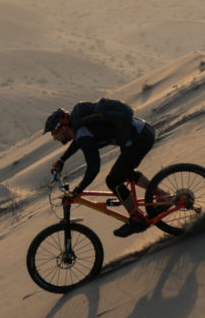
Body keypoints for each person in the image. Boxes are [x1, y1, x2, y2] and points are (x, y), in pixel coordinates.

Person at [43, 98, 156, 237]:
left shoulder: (82, 133)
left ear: (63, 127)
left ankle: (136, 219)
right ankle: (160, 196)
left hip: (139, 139)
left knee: (113, 181)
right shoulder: (80, 127)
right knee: (124, 172)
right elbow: (79, 142)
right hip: (142, 131)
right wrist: (62, 160)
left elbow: (93, 168)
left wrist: (78, 190)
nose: (55, 138)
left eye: (54, 134)